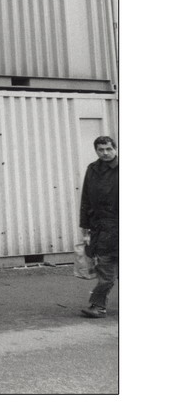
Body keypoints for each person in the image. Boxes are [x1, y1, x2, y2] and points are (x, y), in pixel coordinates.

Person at [79, 136, 119, 318]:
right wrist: (85, 228)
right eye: (100, 149)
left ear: (115, 149)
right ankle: (97, 306)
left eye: (108, 149)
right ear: (96, 150)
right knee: (105, 270)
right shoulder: (92, 169)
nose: (105, 153)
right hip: (101, 230)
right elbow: (86, 200)